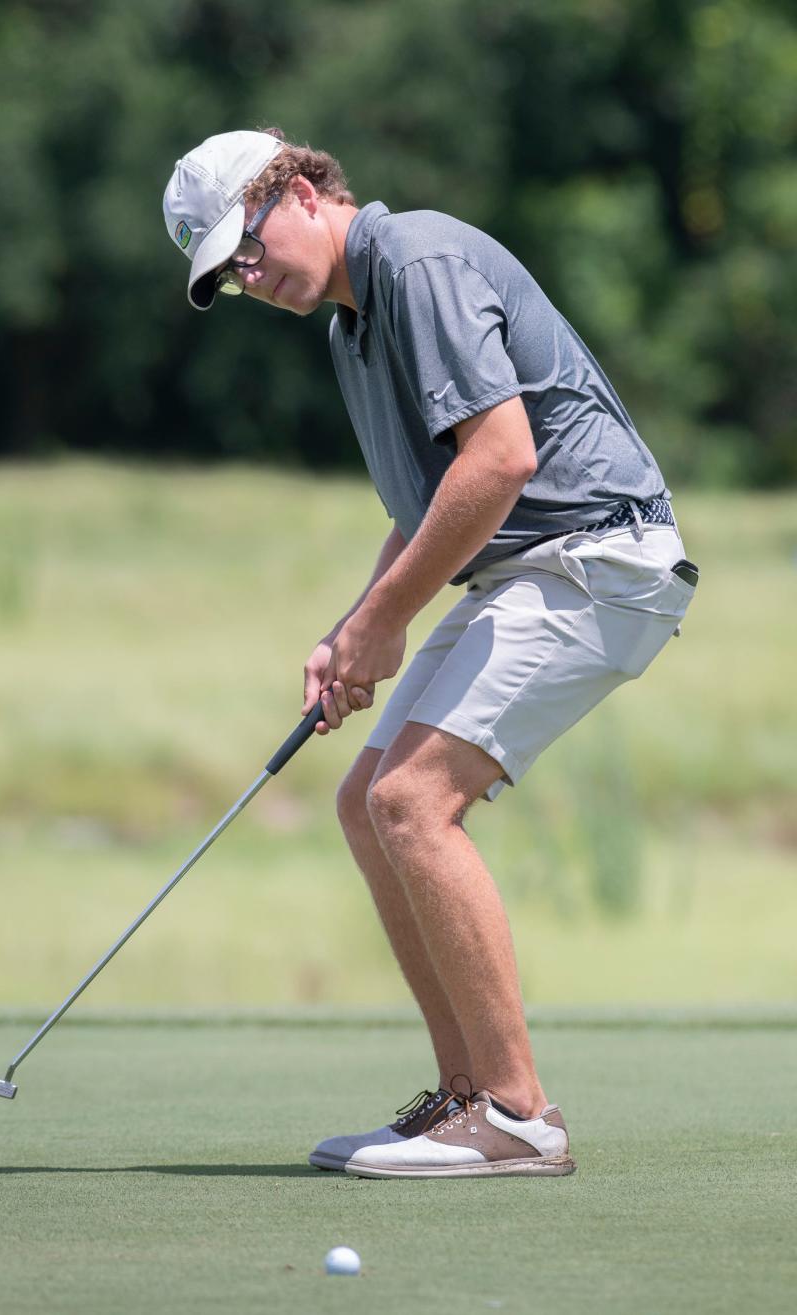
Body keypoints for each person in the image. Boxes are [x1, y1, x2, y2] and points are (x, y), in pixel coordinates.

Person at [163, 129, 697, 1179]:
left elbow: (502, 460)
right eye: (228, 273)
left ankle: (518, 1114)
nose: (249, 276)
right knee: (367, 798)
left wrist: (381, 623)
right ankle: (464, 1099)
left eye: (249, 244)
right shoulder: (351, 330)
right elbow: (428, 510)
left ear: (305, 189)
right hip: (532, 563)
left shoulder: (418, 263)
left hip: (601, 555)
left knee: (412, 801)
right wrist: (354, 625)